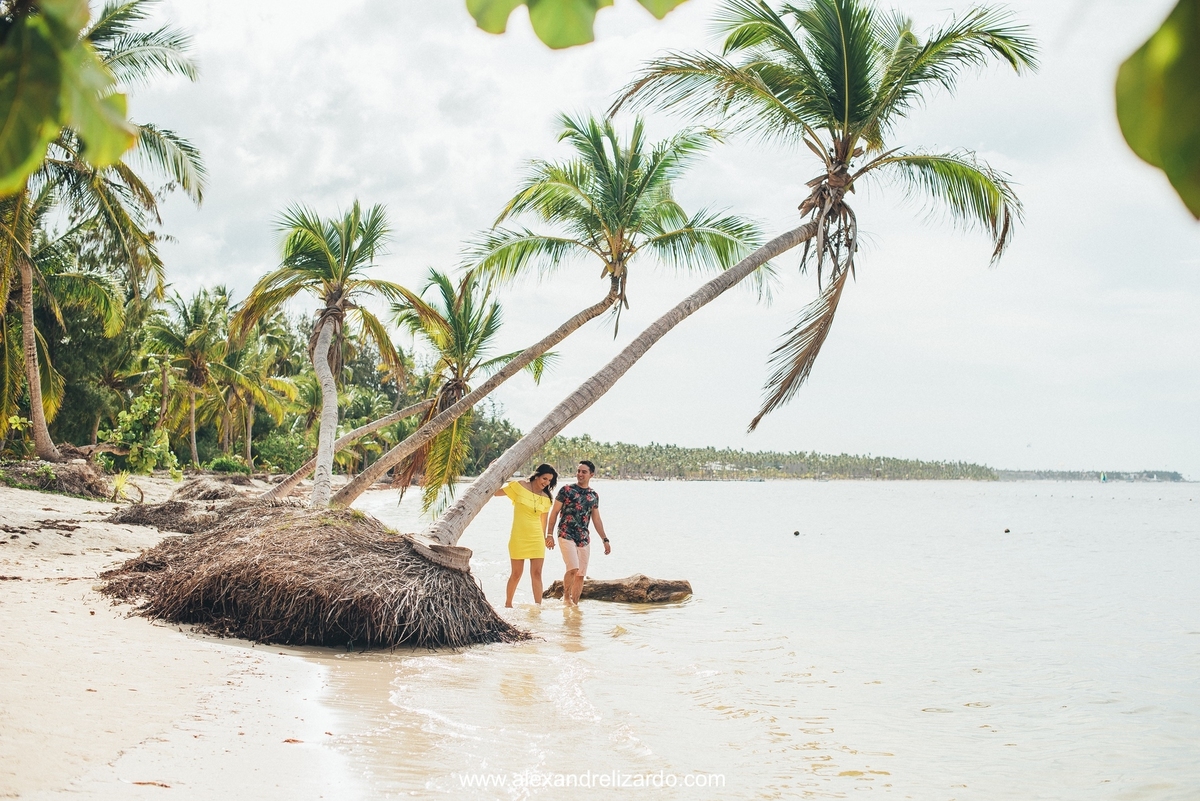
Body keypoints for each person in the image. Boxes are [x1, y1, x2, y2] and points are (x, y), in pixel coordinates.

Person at [493, 463, 558, 608]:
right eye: (544, 478)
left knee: (537, 573)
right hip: (518, 537)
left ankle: (538, 608)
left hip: (536, 538)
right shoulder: (519, 486)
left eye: (549, 481)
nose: (546, 483)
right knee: (516, 573)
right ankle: (508, 605)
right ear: (537, 475)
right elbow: (496, 493)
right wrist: (495, 472)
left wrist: (546, 537)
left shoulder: (546, 498)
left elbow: (543, 520)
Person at [547, 460, 610, 606]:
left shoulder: (593, 495)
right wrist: (549, 534)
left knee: (581, 574)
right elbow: (554, 512)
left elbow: (596, 519)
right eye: (578, 471)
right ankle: (566, 597)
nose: (580, 474)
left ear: (591, 474)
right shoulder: (566, 490)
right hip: (565, 533)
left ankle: (574, 605)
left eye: (584, 472)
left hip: (583, 537)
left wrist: (605, 539)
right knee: (573, 568)